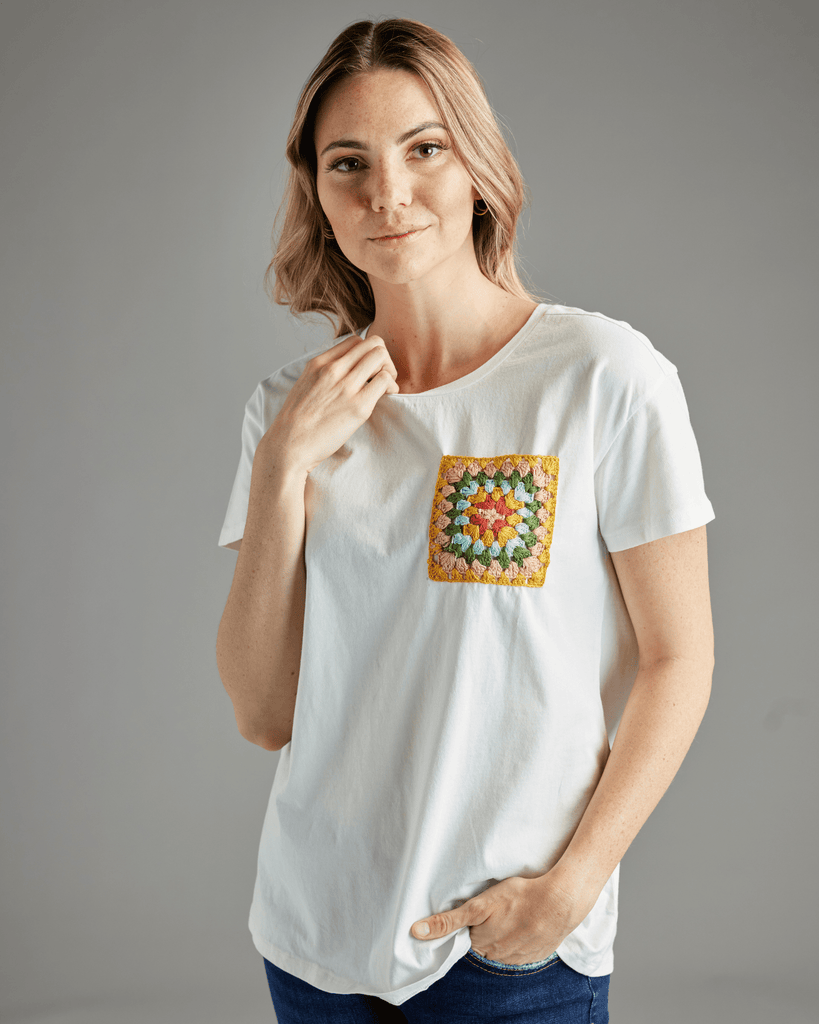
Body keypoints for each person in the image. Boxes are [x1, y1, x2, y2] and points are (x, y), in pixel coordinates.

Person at [215, 17, 715, 1024]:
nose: (387, 194)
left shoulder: (602, 379)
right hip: (315, 942)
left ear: (478, 163)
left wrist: (573, 884)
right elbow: (265, 710)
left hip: (510, 949)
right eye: (346, 162)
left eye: (424, 148)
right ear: (316, 192)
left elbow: (680, 660)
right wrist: (282, 473)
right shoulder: (289, 409)